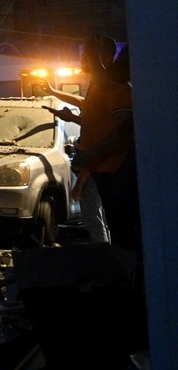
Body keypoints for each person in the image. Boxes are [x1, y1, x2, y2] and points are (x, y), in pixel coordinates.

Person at [46, 36, 136, 253]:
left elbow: (125, 132)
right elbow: (98, 120)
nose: (81, 60)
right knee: (114, 225)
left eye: (86, 55)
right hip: (102, 170)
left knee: (122, 230)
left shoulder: (118, 89)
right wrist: (71, 117)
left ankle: (124, 266)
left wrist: (90, 155)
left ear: (103, 56)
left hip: (116, 171)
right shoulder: (98, 88)